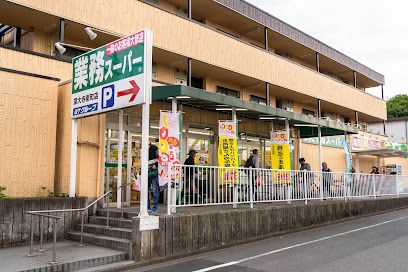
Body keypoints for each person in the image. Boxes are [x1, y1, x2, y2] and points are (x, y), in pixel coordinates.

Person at [148, 143, 159, 214]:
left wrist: (156, 165)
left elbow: (160, 157)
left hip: (153, 171)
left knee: (155, 190)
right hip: (148, 171)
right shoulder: (144, 149)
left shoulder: (155, 148)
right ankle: (148, 207)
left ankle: (154, 208)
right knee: (146, 190)